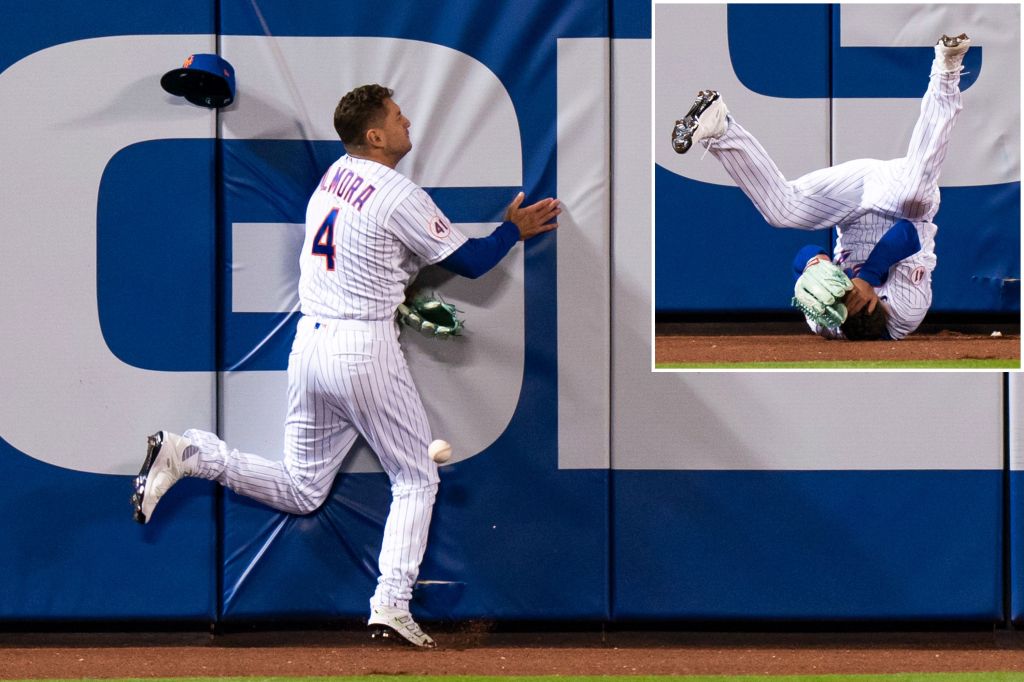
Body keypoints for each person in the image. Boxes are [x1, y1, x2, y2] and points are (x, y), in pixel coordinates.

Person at [131, 84, 560, 647]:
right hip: (362, 349)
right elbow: (473, 261)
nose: (408, 121)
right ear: (375, 135)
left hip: (310, 347)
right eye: (397, 116)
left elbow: (369, 255)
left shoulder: (332, 178)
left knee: (303, 488)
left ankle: (193, 454)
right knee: (414, 478)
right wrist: (513, 229)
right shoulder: (396, 192)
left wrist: (398, 286)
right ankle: (391, 603)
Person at [672, 34, 972, 340]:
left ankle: (721, 128)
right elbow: (905, 234)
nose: (845, 296)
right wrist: (867, 278)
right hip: (898, 200)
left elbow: (801, 258)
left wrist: (816, 262)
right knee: (915, 192)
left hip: (850, 208)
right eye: (856, 301)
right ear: (874, 304)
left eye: (843, 302)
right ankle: (946, 72)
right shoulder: (907, 313)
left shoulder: (827, 322)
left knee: (782, 211)